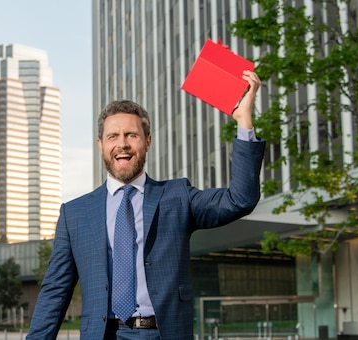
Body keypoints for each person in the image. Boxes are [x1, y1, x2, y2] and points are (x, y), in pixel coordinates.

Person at [26, 70, 265, 340]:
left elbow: (240, 199)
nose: (122, 144)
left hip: (163, 333)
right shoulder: (75, 213)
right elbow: (55, 290)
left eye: (132, 135)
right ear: (101, 145)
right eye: (113, 136)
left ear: (147, 141)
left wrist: (244, 121)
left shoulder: (177, 197)